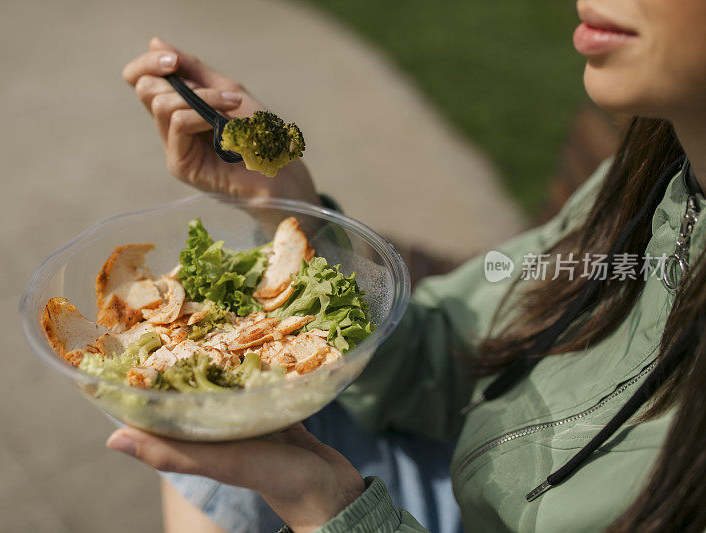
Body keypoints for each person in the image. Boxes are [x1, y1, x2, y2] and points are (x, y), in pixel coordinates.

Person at [106, 0, 706, 531]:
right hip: (471, 471)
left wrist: (333, 511)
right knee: (198, 411)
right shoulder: (653, 185)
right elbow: (446, 354)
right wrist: (295, 212)